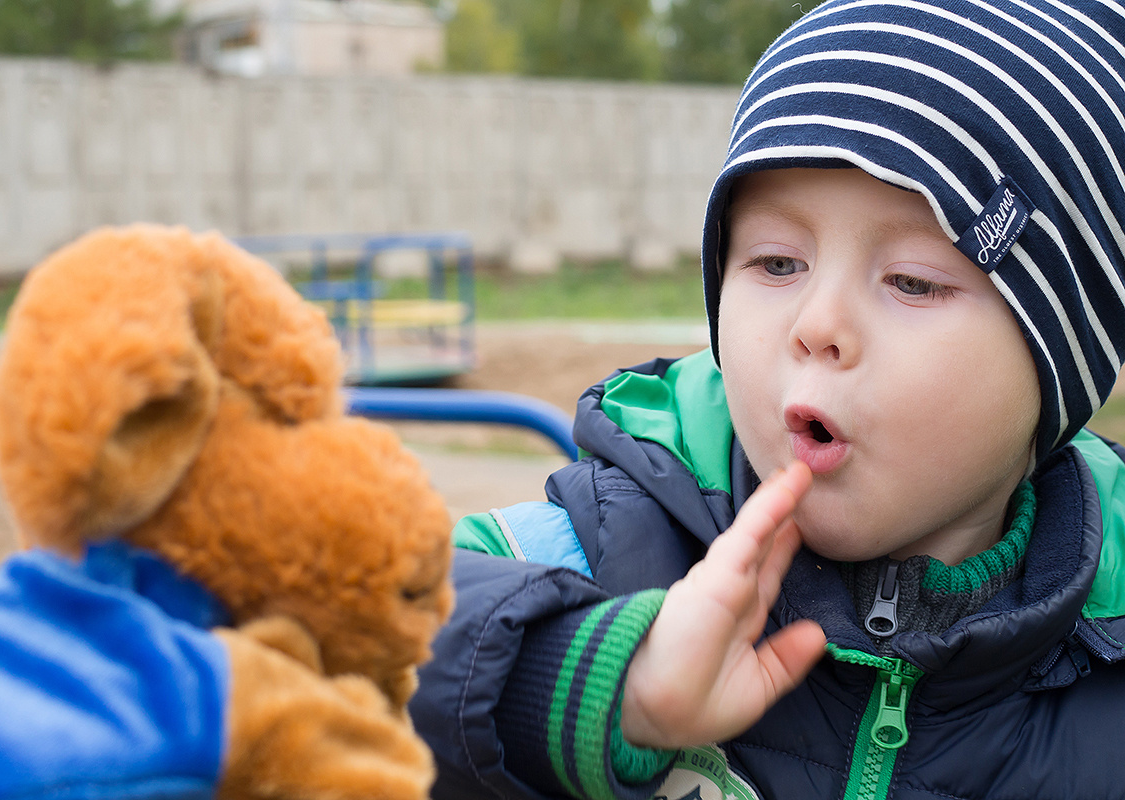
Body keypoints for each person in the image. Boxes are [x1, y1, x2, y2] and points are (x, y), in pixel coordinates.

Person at [408, 1, 1125, 798]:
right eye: (778, 263)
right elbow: (334, 647)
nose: (817, 325)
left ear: (1064, 357)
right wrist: (601, 682)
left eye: (913, 281)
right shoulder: (588, 547)